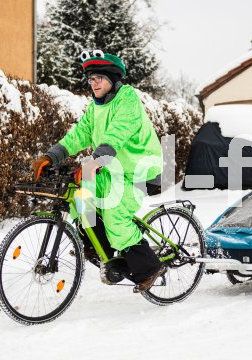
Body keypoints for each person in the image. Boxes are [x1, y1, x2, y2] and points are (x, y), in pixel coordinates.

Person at [32, 50, 165, 293]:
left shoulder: (128, 99)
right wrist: (52, 155)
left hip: (140, 170)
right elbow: (79, 135)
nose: (93, 84)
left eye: (99, 79)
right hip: (111, 168)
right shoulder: (95, 108)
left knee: (115, 214)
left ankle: (149, 267)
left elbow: (118, 133)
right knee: (81, 200)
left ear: (113, 79)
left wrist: (94, 161)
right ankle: (104, 252)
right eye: (91, 79)